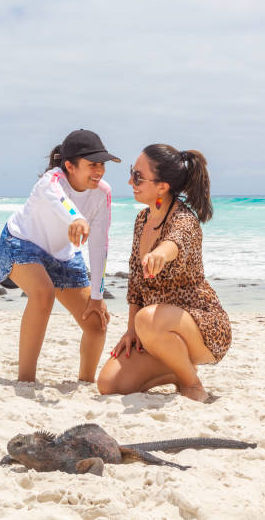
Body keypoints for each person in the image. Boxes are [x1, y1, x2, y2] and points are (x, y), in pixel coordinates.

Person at [97, 144, 231, 403]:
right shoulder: (142, 220)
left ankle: (192, 384)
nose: (130, 181)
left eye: (138, 176)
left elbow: (175, 242)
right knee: (109, 383)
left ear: (162, 186)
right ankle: (175, 367)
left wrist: (160, 254)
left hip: (200, 323)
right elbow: (136, 282)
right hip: (153, 329)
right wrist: (130, 331)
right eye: (131, 173)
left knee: (147, 320)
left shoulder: (184, 220)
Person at [0, 129, 121, 383]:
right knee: (43, 293)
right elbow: (63, 203)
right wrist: (76, 217)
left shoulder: (103, 193)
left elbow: (99, 245)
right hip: (21, 242)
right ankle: (26, 381)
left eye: (102, 164)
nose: (99, 170)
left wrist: (97, 296)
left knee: (96, 323)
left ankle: (85, 382)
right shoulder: (50, 181)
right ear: (69, 166)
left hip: (64, 254)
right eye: (92, 164)